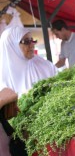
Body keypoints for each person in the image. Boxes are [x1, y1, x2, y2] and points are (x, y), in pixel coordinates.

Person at [0, 26, 58, 156]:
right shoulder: (2, 75)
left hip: (51, 132)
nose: (32, 45)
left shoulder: (45, 65)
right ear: (12, 46)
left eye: (33, 40)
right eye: (26, 41)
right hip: (18, 141)